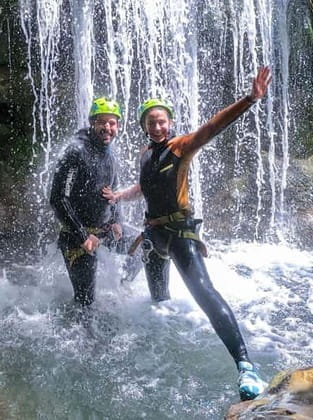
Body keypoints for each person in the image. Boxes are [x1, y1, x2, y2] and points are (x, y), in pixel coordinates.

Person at [104, 66, 272, 401]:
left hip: (179, 233)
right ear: (144, 126)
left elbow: (212, 127)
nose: (157, 126)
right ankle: (159, 355)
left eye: (161, 121)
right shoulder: (145, 154)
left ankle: (245, 365)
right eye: (151, 122)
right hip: (153, 236)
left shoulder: (181, 146)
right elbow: (147, 187)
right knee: (158, 300)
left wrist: (250, 99)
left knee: (204, 292)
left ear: (170, 123)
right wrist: (120, 196)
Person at [49, 97, 124, 306]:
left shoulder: (109, 152)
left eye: (112, 123)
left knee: (143, 246)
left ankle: (120, 286)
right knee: (85, 303)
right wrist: (82, 235)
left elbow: (114, 190)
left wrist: (117, 220)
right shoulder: (76, 151)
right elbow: (57, 198)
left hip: (104, 230)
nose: (107, 128)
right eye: (102, 122)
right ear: (92, 122)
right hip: (77, 237)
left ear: (118, 126)